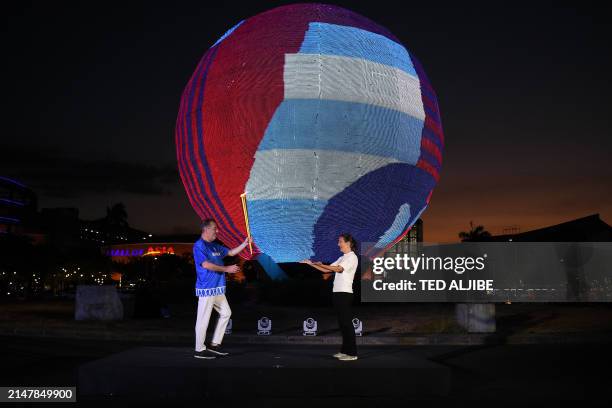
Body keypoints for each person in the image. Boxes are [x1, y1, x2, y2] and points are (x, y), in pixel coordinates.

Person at [193, 218, 251, 359]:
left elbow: (230, 253)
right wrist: (226, 269)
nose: (217, 231)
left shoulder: (214, 246)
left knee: (226, 312)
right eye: (214, 228)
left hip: (217, 288)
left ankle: (214, 344)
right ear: (206, 229)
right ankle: (199, 350)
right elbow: (206, 265)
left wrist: (244, 243)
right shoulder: (199, 246)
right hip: (207, 288)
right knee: (203, 319)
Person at [301, 234, 359, 361]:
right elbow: (326, 270)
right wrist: (310, 264)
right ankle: (345, 351)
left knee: (346, 324)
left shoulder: (352, 257)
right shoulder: (342, 257)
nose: (338, 244)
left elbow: (338, 269)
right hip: (338, 293)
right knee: (342, 324)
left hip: (345, 294)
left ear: (348, 243)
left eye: (340, 242)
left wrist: (323, 265)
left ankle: (352, 353)